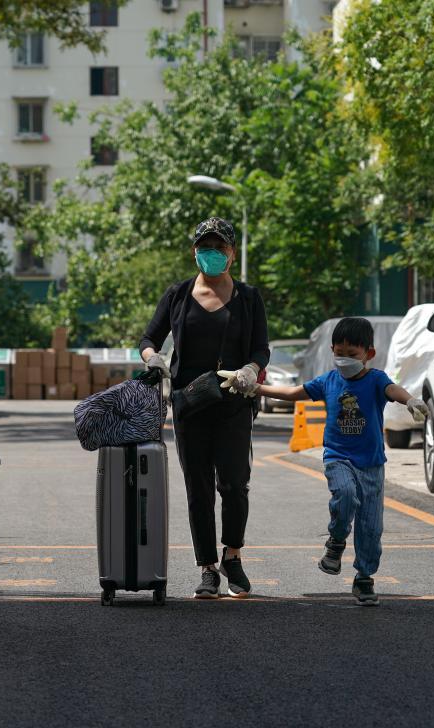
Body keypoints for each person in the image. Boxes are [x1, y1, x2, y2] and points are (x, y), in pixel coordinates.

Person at [245, 317, 429, 606]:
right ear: (332, 350)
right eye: (339, 353)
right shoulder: (328, 381)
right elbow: (293, 393)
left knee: (371, 528)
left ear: (369, 353)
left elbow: (394, 390)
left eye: (352, 354)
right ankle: (336, 541)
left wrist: (411, 401)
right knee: (344, 494)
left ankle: (364, 578)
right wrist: (257, 388)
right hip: (337, 457)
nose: (344, 359)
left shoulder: (376, 379)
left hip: (371, 464)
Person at [140, 217, 269, 599]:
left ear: (232, 253)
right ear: (195, 251)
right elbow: (149, 338)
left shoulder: (248, 298)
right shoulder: (177, 295)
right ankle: (208, 568)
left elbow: (261, 348)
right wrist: (153, 358)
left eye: (219, 247)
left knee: (234, 484)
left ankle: (233, 555)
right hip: (190, 405)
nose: (212, 253)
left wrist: (251, 369)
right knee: (198, 488)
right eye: (205, 247)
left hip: (234, 403)